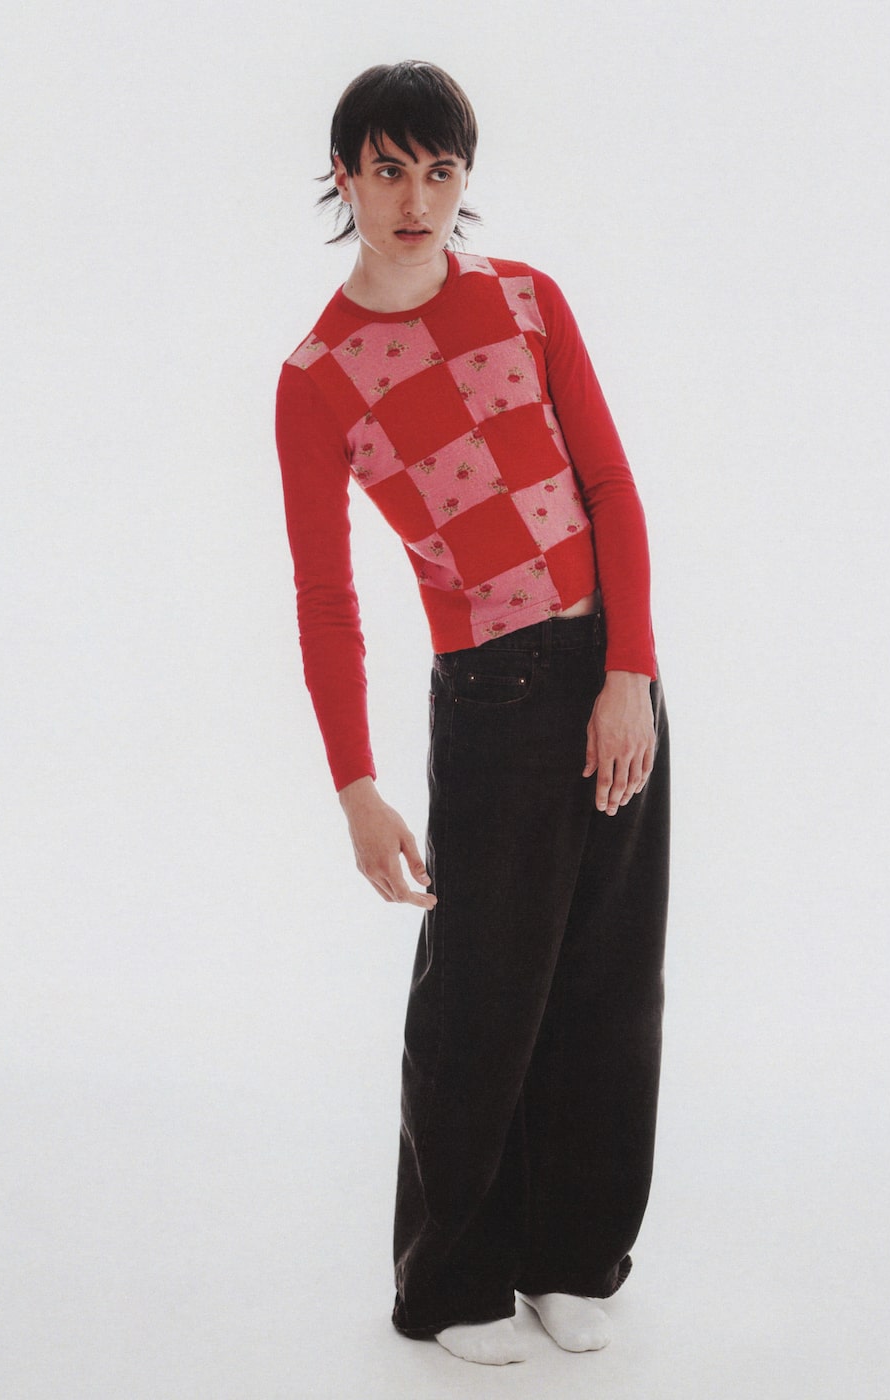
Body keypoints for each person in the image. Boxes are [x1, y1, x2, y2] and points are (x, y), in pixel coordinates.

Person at [275, 60, 670, 1368]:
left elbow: (610, 487)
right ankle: (449, 1281)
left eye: (440, 171)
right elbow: (326, 598)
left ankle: (572, 1256)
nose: (416, 198)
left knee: (607, 982)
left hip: (613, 678)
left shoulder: (527, 299)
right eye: (389, 169)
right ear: (345, 174)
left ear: (464, 180)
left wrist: (630, 672)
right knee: (482, 999)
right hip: (494, 695)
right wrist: (355, 786)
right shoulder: (319, 375)